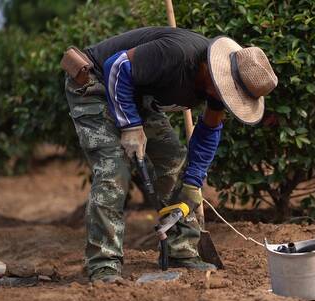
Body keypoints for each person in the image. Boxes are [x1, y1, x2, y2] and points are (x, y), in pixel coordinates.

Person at [62, 26, 277, 282]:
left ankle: (181, 251)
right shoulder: (177, 54)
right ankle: (102, 263)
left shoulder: (216, 90)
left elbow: (208, 131)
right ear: (213, 70)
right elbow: (117, 66)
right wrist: (130, 125)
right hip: (96, 83)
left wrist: (194, 182)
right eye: (225, 91)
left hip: (138, 95)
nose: (221, 98)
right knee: (114, 171)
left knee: (174, 161)